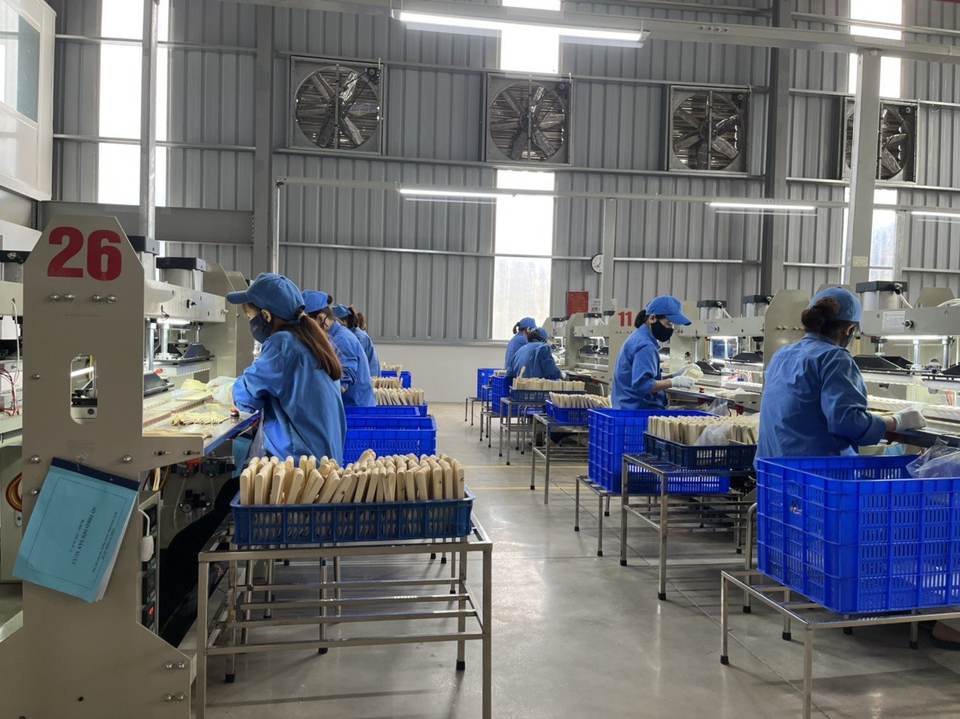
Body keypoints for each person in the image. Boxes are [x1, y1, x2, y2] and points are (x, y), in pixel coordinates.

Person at [756, 287, 926, 459]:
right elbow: (848, 423)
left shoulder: (782, 354)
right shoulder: (834, 357)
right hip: (814, 470)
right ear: (849, 329)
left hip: (773, 466)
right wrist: (897, 421)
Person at [226, 273, 347, 463]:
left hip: (301, 464)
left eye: (250, 317)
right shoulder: (310, 340)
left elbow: (245, 398)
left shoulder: (282, 345)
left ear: (266, 316)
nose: (250, 323)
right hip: (325, 459)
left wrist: (223, 389)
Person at [611, 296, 696, 410]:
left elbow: (644, 377)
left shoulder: (638, 337)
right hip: (639, 411)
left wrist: (674, 375)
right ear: (652, 318)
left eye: (673, 325)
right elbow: (643, 385)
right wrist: (673, 382)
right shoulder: (646, 346)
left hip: (627, 407)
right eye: (669, 323)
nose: (671, 329)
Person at [304, 290, 375, 408]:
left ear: (321, 318)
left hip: (355, 410)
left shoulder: (341, 340)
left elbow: (344, 380)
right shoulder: (333, 337)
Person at [333, 303, 380, 377]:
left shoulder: (358, 337)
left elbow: (355, 364)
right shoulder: (349, 335)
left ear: (344, 322)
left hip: (367, 376)